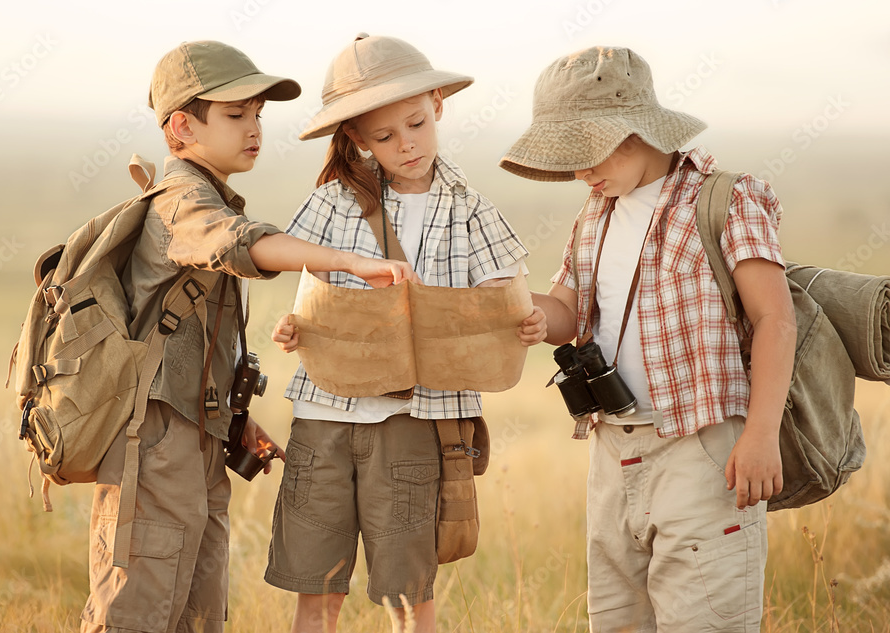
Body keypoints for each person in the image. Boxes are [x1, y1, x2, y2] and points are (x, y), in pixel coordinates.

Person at [80, 40, 419, 633]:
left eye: (258, 114)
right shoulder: (183, 201)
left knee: (198, 610)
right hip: (156, 444)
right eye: (236, 115)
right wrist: (349, 261)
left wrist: (230, 420)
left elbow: (190, 340)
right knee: (137, 608)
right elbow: (242, 243)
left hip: (193, 437)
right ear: (180, 127)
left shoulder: (208, 194)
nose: (254, 127)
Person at [499, 46, 796, 632]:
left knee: (705, 617)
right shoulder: (597, 212)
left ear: (630, 132)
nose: (579, 174)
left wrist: (762, 433)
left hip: (703, 448)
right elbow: (565, 309)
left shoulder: (726, 200)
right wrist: (520, 311)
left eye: (584, 155)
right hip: (612, 450)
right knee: (616, 620)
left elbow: (774, 320)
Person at [266, 34, 547, 633]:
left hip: (420, 422)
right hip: (326, 412)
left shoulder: (472, 208)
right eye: (384, 136)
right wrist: (292, 329)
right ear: (358, 141)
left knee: (408, 592)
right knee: (315, 588)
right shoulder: (333, 203)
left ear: (438, 104)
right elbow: (305, 296)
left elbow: (508, 303)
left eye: (415, 123)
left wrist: (530, 323)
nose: (406, 144)